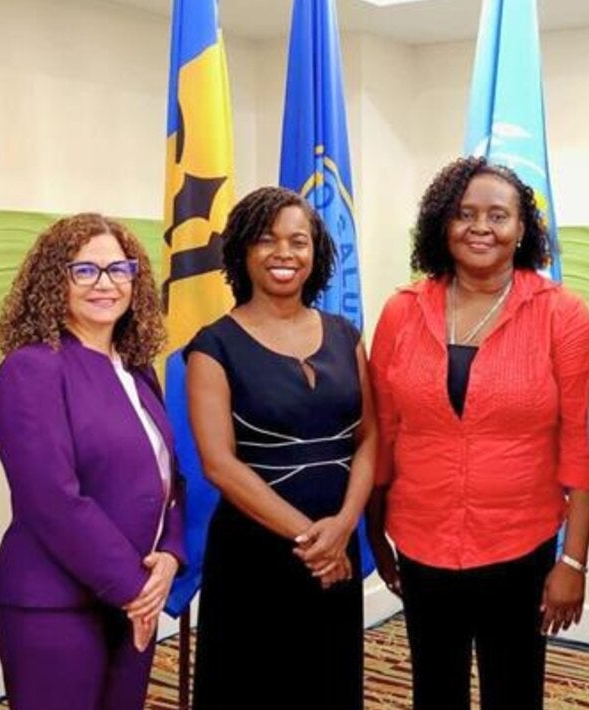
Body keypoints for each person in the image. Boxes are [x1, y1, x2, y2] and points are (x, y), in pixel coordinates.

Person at [367, 156, 589, 710]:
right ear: (441, 223)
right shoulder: (401, 312)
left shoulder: (562, 314)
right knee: (434, 691)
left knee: (514, 692)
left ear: (522, 229)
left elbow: (581, 445)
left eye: (498, 215)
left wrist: (572, 562)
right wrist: (376, 534)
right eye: (465, 213)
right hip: (421, 541)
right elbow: (382, 431)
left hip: (521, 546)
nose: (480, 227)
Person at [186, 186, 375, 710]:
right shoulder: (213, 345)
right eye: (267, 240)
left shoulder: (346, 335)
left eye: (298, 240)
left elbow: (370, 438)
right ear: (243, 250)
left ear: (316, 251)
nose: (284, 253)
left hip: (337, 545)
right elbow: (219, 464)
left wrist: (343, 527)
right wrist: (313, 540)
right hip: (255, 554)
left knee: (328, 685)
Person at [0, 213, 184, 710]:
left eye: (119, 269)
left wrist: (171, 555)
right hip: (56, 606)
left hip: (135, 596)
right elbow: (52, 499)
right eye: (85, 270)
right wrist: (135, 589)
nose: (106, 283)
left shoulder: (137, 370)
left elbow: (168, 479)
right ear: (55, 280)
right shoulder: (31, 369)